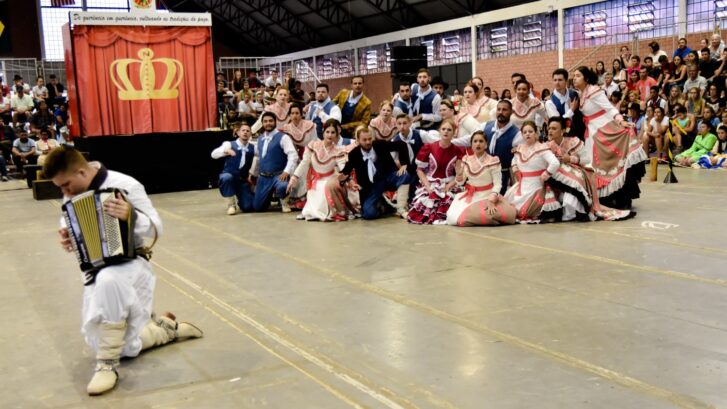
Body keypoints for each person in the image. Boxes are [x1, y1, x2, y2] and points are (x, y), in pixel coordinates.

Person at [44, 146, 203, 396]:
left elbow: (156, 228)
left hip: (132, 265)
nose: (64, 192)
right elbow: (70, 225)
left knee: (110, 280)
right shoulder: (72, 192)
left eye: (65, 185)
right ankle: (166, 329)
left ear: (82, 171)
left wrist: (131, 215)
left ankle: (107, 364)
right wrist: (68, 238)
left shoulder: (125, 184)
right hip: (94, 271)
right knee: (122, 346)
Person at [572, 66, 647, 209]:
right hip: (592, 133)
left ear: (586, 78)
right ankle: (604, 196)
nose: (575, 78)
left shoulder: (594, 91)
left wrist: (620, 121)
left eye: (578, 76)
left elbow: (610, 107)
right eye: (574, 76)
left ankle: (621, 197)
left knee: (610, 164)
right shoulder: (580, 94)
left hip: (604, 129)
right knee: (596, 165)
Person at [545, 117, 631, 222]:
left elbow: (587, 159)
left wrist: (570, 159)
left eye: (554, 128)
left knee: (572, 191)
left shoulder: (574, 141)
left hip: (576, 173)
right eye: (549, 128)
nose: (550, 131)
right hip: (557, 179)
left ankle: (572, 211)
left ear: (563, 130)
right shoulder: (546, 146)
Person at [446, 131, 516, 226]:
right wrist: (459, 176)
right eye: (475, 141)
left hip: (487, 195)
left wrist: (491, 200)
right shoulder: (466, 159)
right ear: (471, 145)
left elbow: (498, 184)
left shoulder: (493, 161)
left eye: (481, 141)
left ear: (486, 144)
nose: (478, 143)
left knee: (489, 214)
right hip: (470, 196)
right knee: (453, 218)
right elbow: (461, 182)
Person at [338, 126, 410, 220]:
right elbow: (345, 172)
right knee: (368, 214)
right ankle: (385, 206)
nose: (368, 142)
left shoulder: (380, 144)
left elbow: (401, 145)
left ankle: (401, 208)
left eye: (369, 139)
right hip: (371, 187)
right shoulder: (354, 154)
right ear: (358, 140)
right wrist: (342, 179)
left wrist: (404, 163)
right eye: (364, 140)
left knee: (405, 175)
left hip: (387, 178)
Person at [288, 119, 352, 221]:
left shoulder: (338, 151)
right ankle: (311, 212)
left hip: (330, 179)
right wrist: (294, 177)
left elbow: (343, 167)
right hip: (315, 180)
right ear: (323, 132)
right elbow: (304, 163)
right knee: (314, 192)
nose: (330, 135)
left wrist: (348, 177)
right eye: (327, 132)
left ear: (336, 134)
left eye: (333, 132)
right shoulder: (313, 145)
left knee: (325, 188)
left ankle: (331, 212)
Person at [406, 119, 464, 225]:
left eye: (449, 130)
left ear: (454, 133)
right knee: (424, 210)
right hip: (430, 183)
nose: (446, 131)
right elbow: (419, 170)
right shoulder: (429, 147)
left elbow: (460, 174)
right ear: (439, 131)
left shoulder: (458, 150)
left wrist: (448, 187)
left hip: (449, 184)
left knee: (452, 209)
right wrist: (428, 187)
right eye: (443, 129)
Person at [504, 121, 561, 223]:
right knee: (508, 208)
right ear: (522, 135)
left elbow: (555, 163)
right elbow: (514, 160)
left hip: (536, 186)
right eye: (525, 132)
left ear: (536, 133)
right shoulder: (519, 148)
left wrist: (546, 174)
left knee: (523, 212)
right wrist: (515, 168)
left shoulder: (541, 148)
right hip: (521, 185)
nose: (527, 134)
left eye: (530, 131)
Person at [251, 112, 299, 212]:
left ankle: (284, 201)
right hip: (263, 177)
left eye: (270, 121)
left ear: (275, 122)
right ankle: (267, 198)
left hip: (279, 175)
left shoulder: (283, 137)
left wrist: (287, 171)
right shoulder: (260, 139)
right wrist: (252, 173)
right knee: (258, 208)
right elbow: (258, 158)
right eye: (265, 121)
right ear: (262, 124)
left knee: (283, 186)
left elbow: (293, 155)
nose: (268, 123)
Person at [211, 122, 256, 215]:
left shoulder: (253, 147)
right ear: (238, 132)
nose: (245, 132)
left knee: (248, 207)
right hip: (229, 175)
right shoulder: (229, 144)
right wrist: (225, 151)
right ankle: (231, 205)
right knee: (226, 178)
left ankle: (242, 199)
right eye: (243, 130)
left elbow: (262, 158)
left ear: (251, 134)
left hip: (242, 180)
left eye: (248, 131)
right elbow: (213, 154)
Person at [482, 100, 524, 194]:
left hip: (504, 175)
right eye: (499, 109)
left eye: (504, 110)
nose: (501, 112)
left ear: (511, 112)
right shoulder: (486, 126)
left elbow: (521, 156)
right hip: (485, 174)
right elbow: (470, 139)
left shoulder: (517, 134)